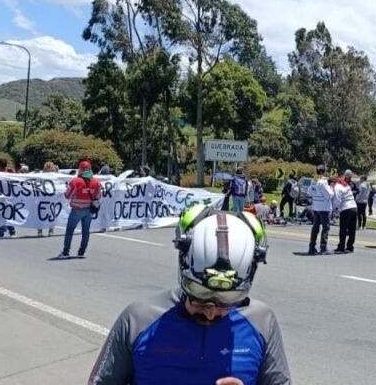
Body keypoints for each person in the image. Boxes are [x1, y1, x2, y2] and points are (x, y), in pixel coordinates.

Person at [89, 206, 291, 384]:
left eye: (227, 302)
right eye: (200, 297)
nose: (211, 313)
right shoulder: (139, 318)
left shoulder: (262, 320)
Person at [59, 160, 102, 259]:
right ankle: (81, 252)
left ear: (80, 169)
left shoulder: (75, 182)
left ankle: (66, 251)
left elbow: (67, 195)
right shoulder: (97, 183)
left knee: (70, 230)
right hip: (89, 210)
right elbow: (99, 197)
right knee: (86, 231)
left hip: (77, 209)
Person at [307, 165, 334, 255]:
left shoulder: (314, 180)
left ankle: (312, 247)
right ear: (323, 172)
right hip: (324, 208)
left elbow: (309, 192)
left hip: (316, 207)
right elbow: (329, 195)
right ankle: (323, 247)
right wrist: (331, 188)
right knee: (326, 227)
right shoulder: (322, 182)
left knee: (315, 227)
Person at [333, 170, 358, 253]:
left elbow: (337, 200)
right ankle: (350, 247)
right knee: (352, 229)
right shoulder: (346, 185)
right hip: (354, 207)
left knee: (343, 228)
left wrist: (335, 209)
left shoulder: (337, 187)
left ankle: (341, 247)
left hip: (346, 208)